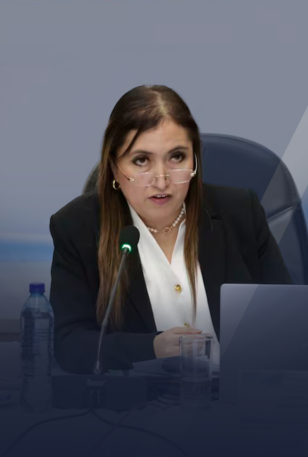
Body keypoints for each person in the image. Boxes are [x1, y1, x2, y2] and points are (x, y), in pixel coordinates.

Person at [49, 85, 292, 373]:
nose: (162, 180)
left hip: (242, 391)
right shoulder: (77, 227)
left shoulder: (241, 213)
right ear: (114, 167)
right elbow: (70, 345)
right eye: (141, 160)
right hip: (140, 399)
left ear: (195, 160)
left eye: (176, 157)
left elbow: (288, 321)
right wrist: (152, 348)